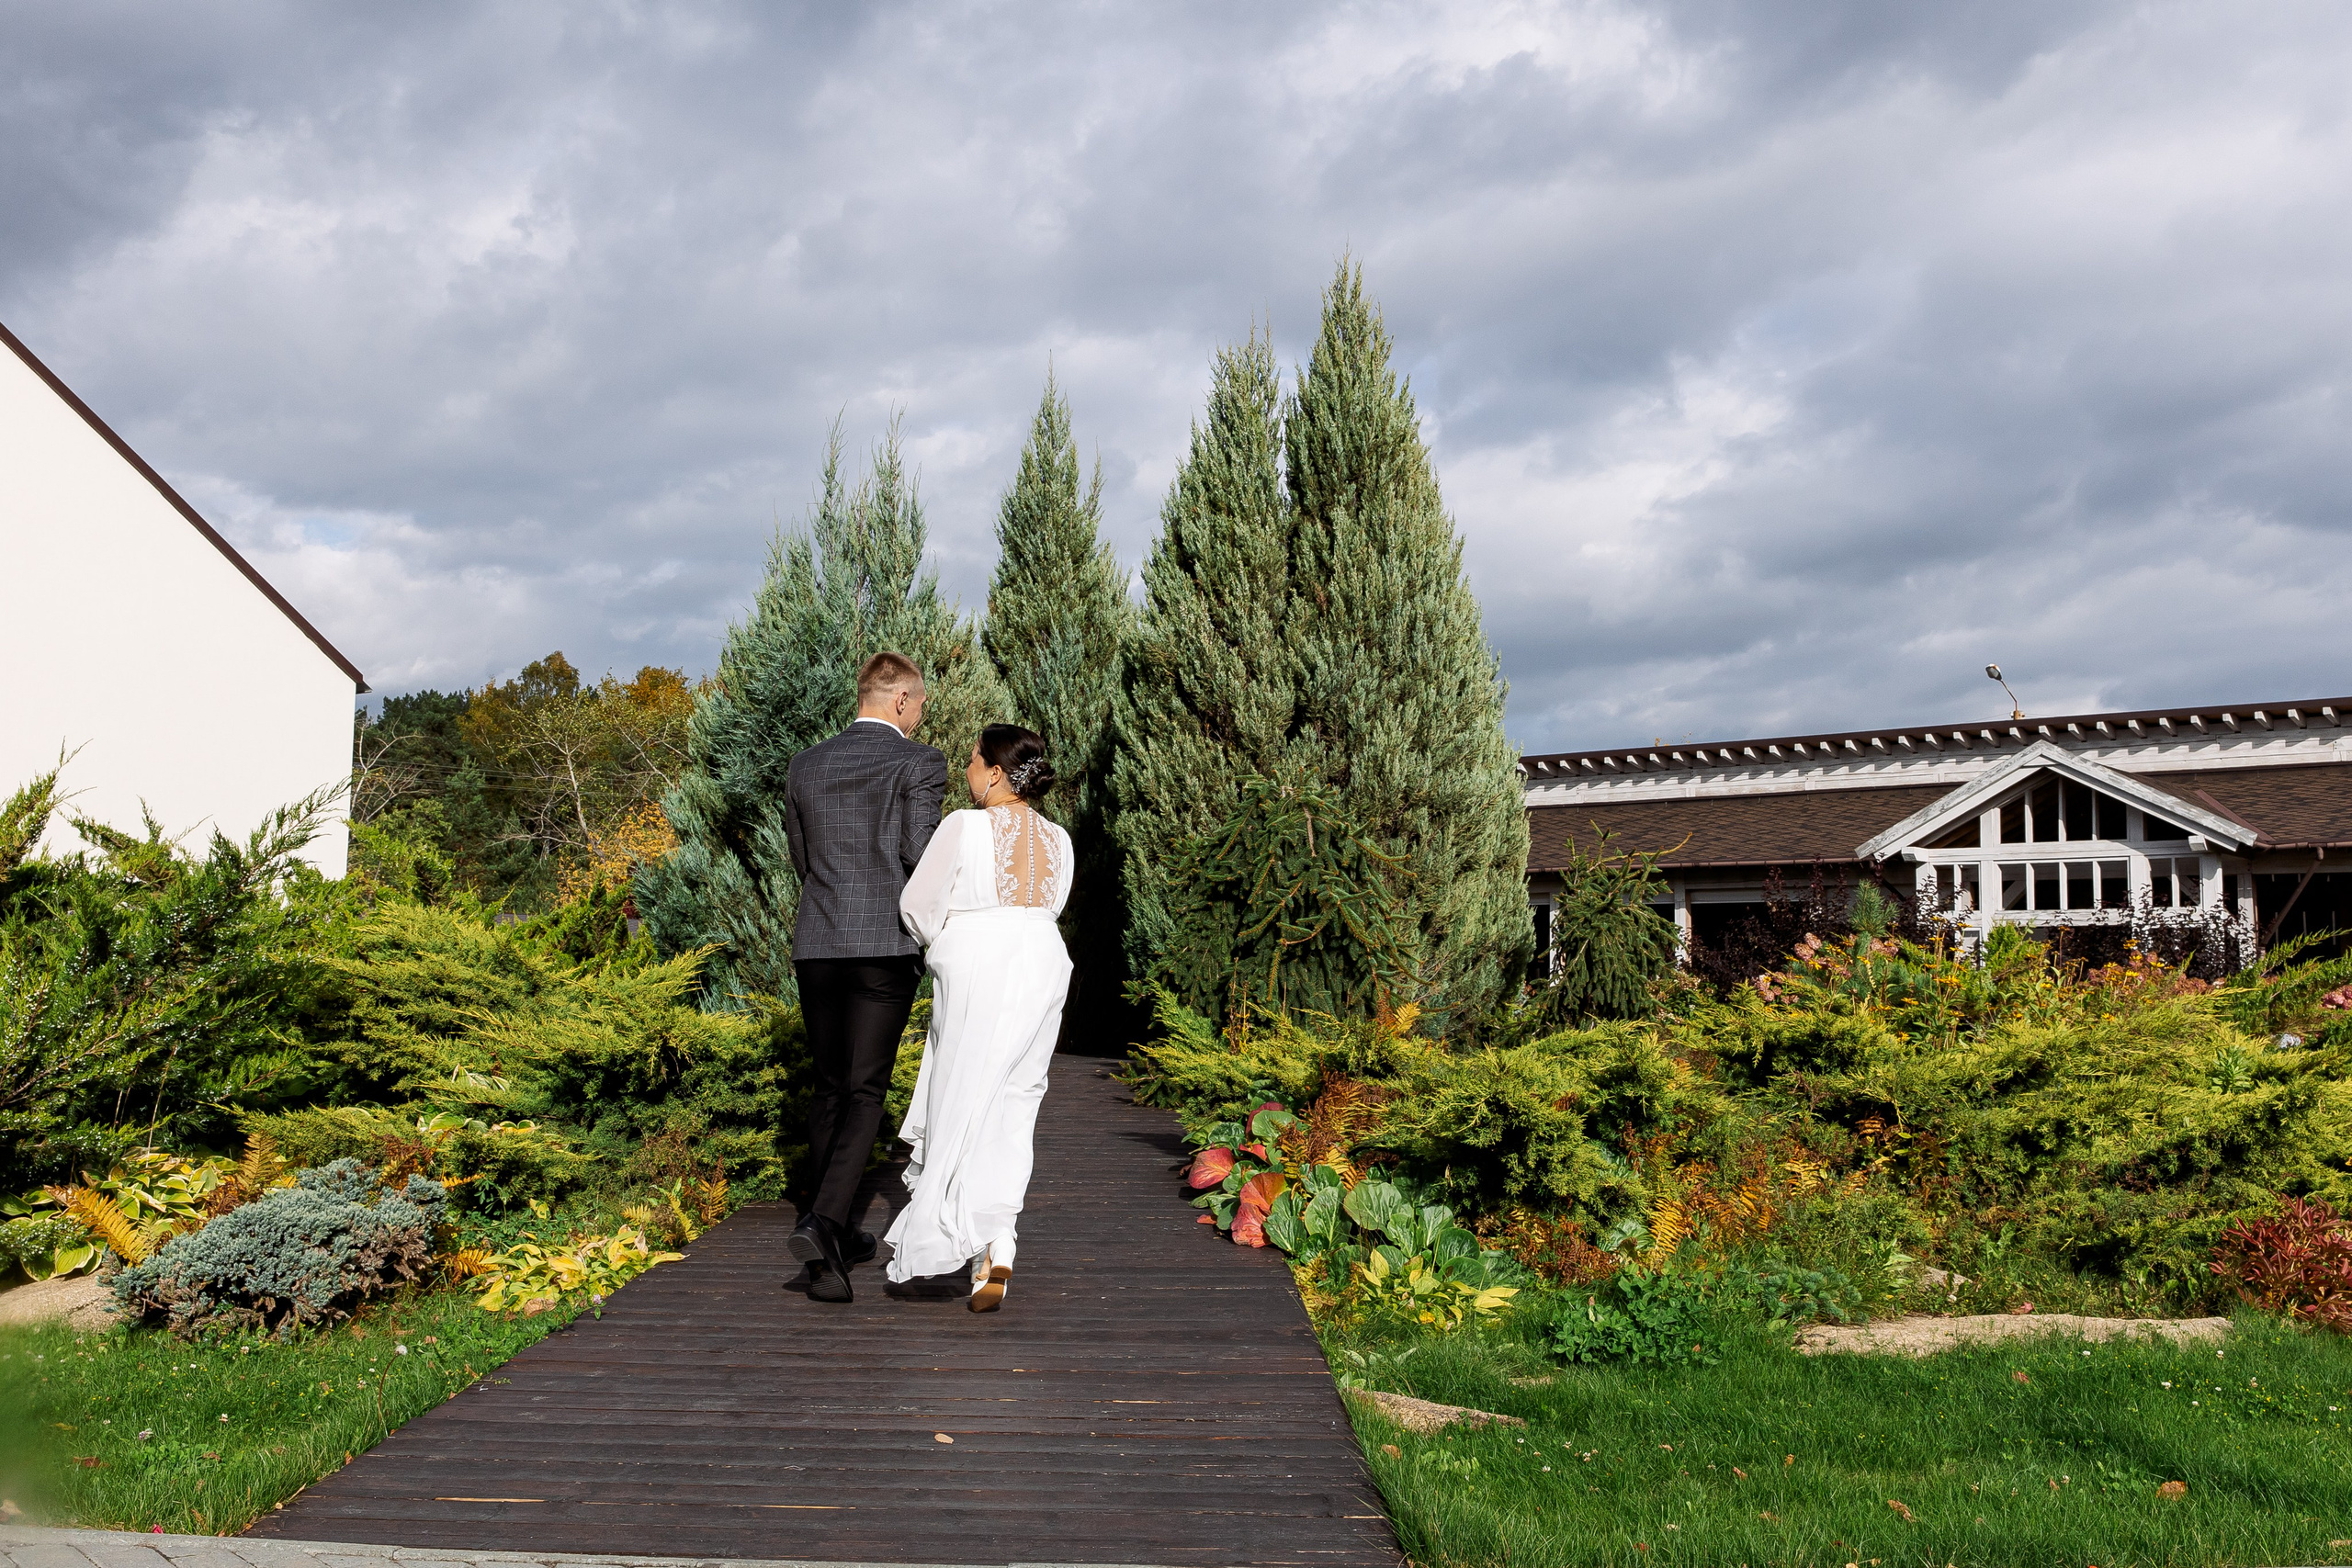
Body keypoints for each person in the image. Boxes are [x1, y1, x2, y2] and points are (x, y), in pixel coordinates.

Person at [887, 724, 1074, 1313]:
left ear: (994, 772)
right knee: (1014, 1102)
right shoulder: (1060, 840)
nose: (966, 770)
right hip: (1043, 964)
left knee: (961, 1098)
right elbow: (1051, 907)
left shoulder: (963, 827)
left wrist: (946, 943)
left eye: (971, 760)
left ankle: (970, 1235)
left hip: (978, 963)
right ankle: (999, 1240)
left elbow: (917, 906)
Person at [783, 650, 948, 1303]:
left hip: (818, 941)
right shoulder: (918, 761)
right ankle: (822, 1222)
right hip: (884, 943)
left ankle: (833, 1246)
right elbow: (920, 855)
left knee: (830, 1087)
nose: (919, 717)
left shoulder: (805, 764)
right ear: (902, 701)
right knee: (865, 1089)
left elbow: (801, 858)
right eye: (920, 706)